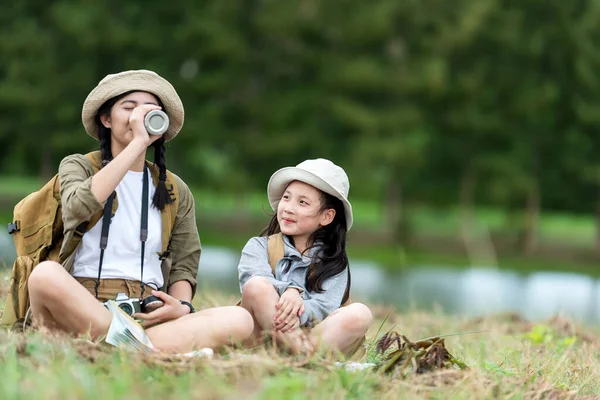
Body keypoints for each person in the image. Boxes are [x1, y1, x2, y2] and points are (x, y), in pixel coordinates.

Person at [27, 69, 253, 353]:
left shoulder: (173, 188)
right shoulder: (80, 166)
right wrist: (136, 145)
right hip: (84, 307)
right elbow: (76, 207)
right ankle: (143, 349)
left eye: (148, 111)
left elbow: (185, 261)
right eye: (129, 107)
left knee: (240, 319)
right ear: (106, 119)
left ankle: (126, 347)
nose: (138, 117)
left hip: (147, 314)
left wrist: (181, 306)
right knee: (44, 276)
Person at [237, 158, 373, 355]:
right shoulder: (258, 247)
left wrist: (298, 310)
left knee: (361, 313)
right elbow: (253, 280)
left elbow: (325, 306)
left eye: (302, 202)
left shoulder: (334, 263)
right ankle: (303, 357)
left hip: (313, 337)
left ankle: (298, 354)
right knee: (257, 286)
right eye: (286, 198)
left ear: (326, 216)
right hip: (263, 338)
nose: (289, 208)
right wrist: (291, 291)